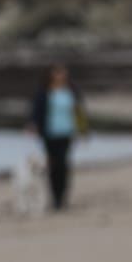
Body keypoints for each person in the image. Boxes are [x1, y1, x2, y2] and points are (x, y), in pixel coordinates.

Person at [26, 63, 89, 211]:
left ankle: (62, 197)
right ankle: (54, 197)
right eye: (57, 72)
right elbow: (37, 110)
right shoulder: (44, 91)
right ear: (51, 74)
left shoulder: (72, 91)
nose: (60, 75)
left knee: (63, 164)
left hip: (67, 133)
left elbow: (79, 112)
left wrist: (83, 130)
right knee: (52, 165)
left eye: (62, 72)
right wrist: (32, 124)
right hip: (49, 133)